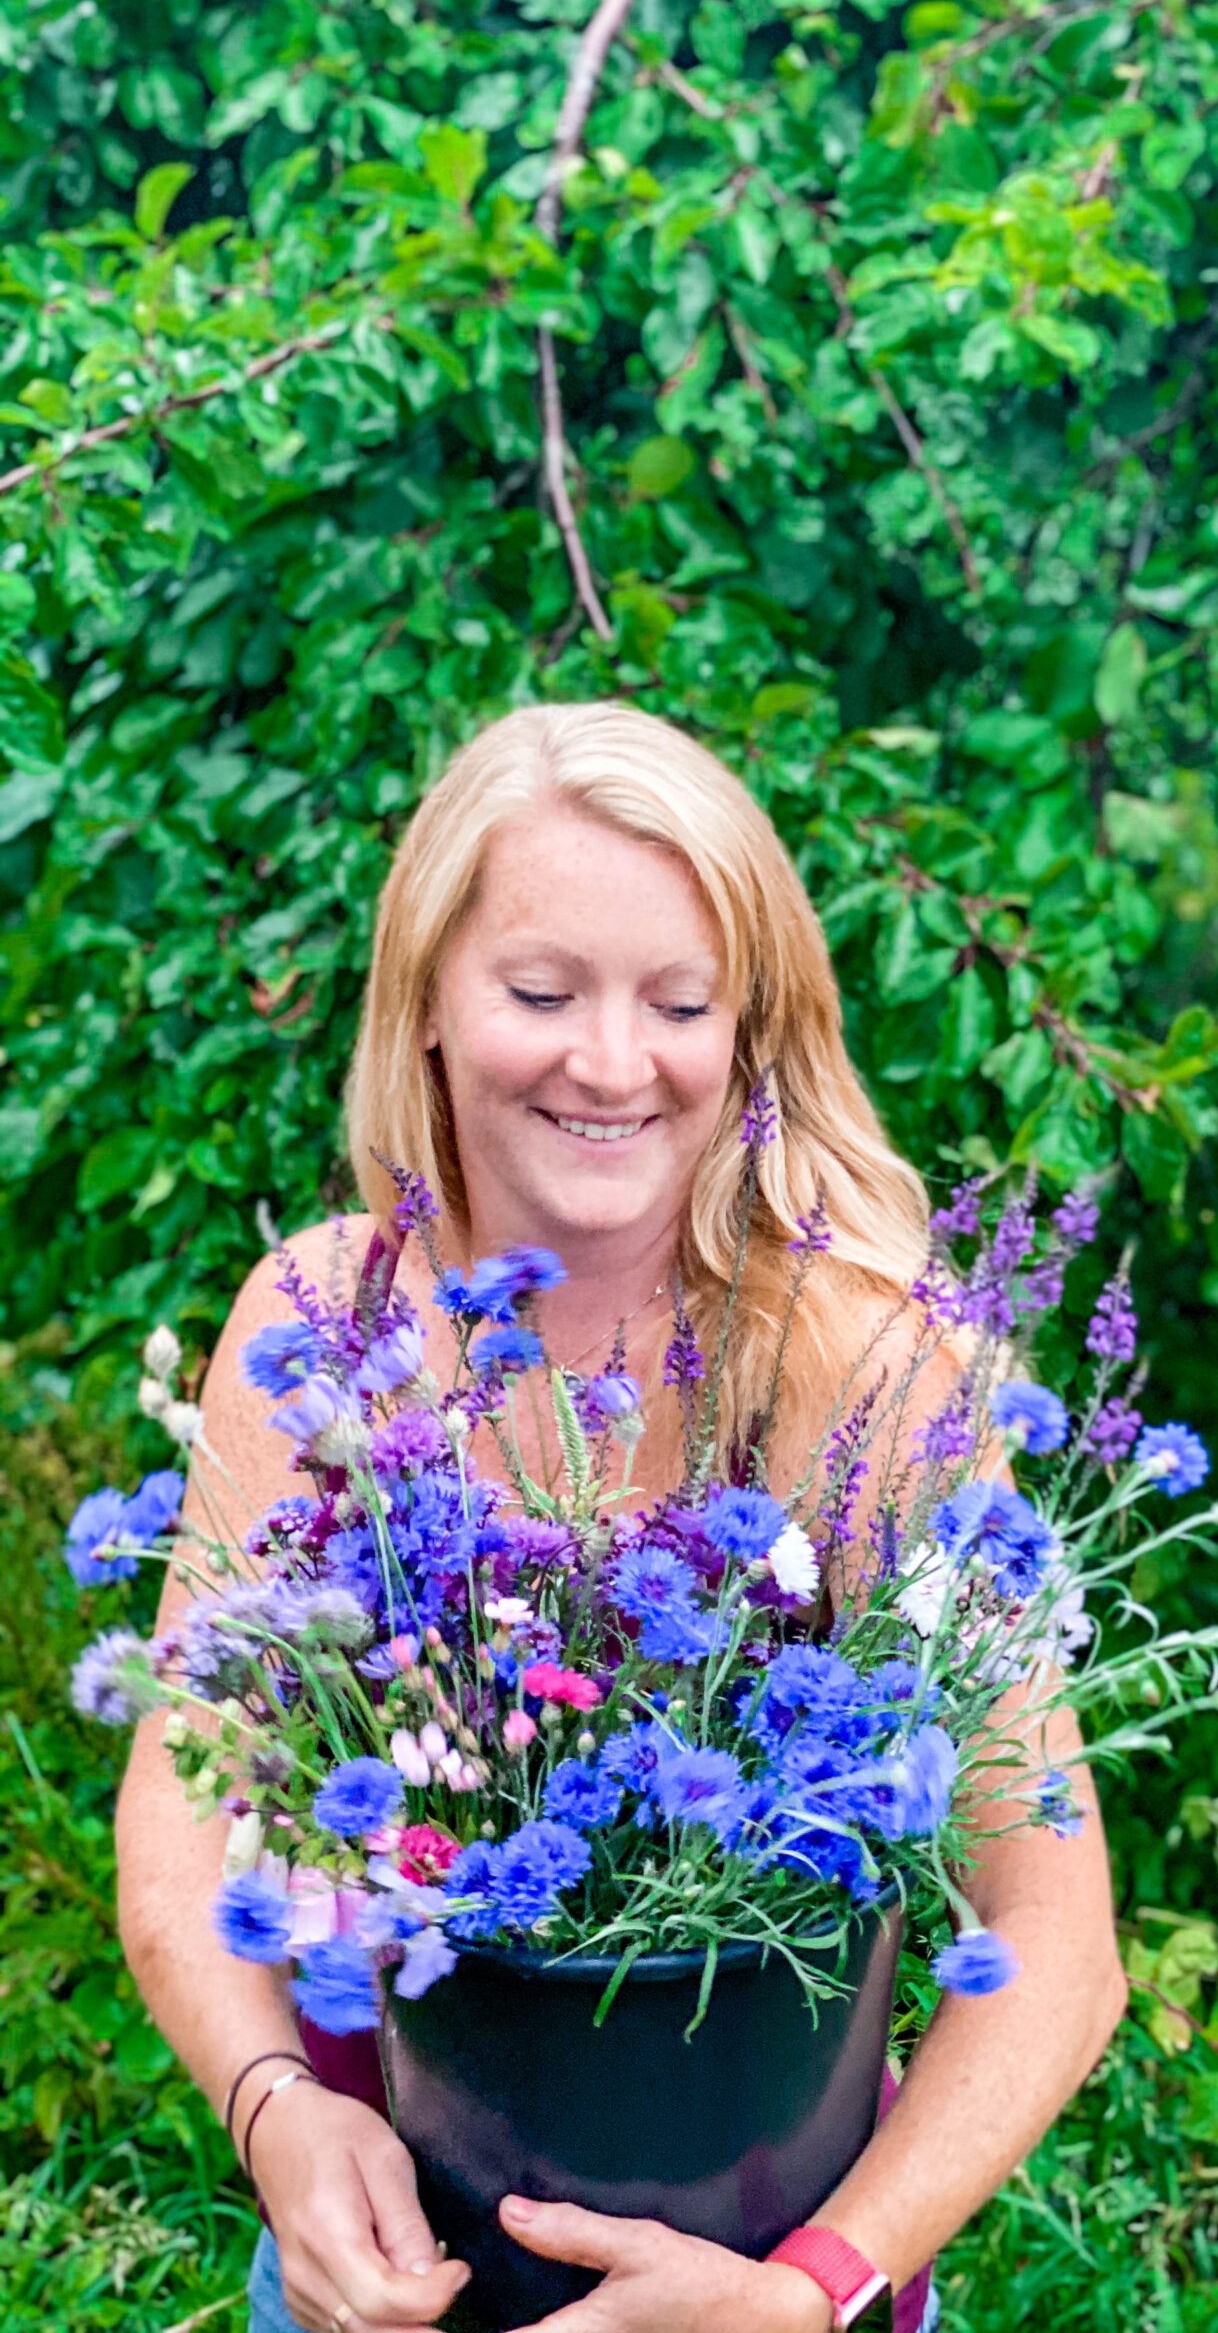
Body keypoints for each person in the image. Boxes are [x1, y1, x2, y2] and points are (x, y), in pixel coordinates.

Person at [115, 701, 1128, 2333]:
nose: (609, 1062)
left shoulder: (866, 1371)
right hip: (393, 2290)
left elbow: (1061, 1941)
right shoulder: (326, 1337)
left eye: (679, 1003)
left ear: (751, 1034)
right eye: (540, 993)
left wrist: (808, 2294)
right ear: (425, 1002)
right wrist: (275, 2109)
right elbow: (178, 1814)